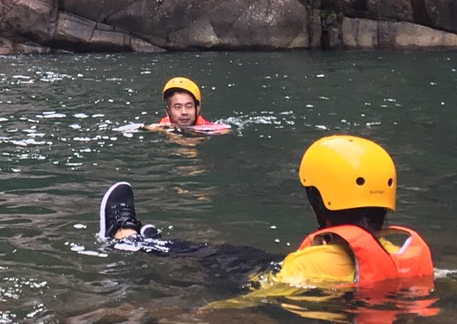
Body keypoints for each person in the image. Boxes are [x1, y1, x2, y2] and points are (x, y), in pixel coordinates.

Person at [98, 135, 433, 298]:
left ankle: (125, 240)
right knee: (241, 254)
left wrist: (206, 312)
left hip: (285, 280)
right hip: (334, 281)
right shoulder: (402, 253)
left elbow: (263, 294)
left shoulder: (310, 264)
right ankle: (153, 243)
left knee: (215, 254)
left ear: (319, 200)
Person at [145, 75, 230, 134]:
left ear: (197, 109)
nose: (184, 112)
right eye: (178, 107)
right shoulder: (162, 127)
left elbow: (225, 130)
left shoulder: (207, 128)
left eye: (189, 106)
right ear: (168, 111)